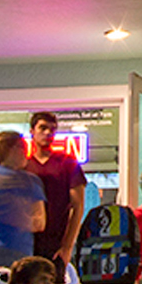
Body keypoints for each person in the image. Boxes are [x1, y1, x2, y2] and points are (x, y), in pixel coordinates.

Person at [24, 111, 86, 274]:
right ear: (32, 131)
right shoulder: (24, 165)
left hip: (56, 242)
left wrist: (67, 247)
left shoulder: (67, 163)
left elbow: (78, 206)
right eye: (42, 128)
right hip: (26, 240)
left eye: (52, 129)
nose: (47, 133)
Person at [0, 131, 47, 264]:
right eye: (24, 148)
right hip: (16, 250)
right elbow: (39, 223)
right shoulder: (28, 181)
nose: (27, 154)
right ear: (14, 150)